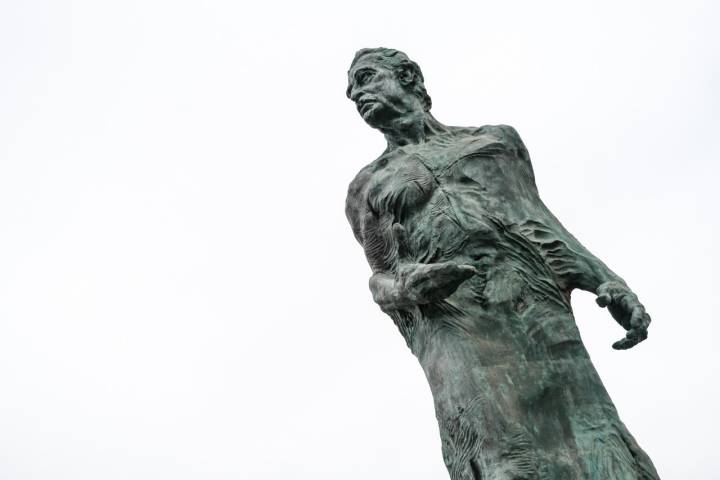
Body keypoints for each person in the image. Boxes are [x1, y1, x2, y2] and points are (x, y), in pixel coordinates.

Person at [345, 47, 659, 479]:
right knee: (504, 460)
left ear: (408, 77)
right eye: (351, 87)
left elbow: (539, 222)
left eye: (364, 78)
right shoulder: (368, 186)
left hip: (535, 311)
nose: (353, 93)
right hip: (460, 327)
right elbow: (381, 279)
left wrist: (608, 280)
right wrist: (411, 286)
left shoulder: (495, 141)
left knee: (597, 447)